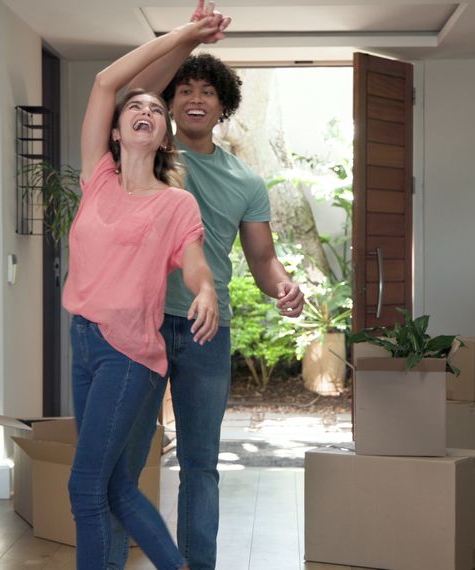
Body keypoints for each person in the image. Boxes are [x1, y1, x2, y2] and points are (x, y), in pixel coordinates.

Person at [108, 3, 306, 568]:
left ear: (223, 106)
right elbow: (123, 92)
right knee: (126, 461)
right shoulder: (145, 155)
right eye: (184, 88)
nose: (195, 98)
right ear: (169, 100)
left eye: (207, 92)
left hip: (203, 330)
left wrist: (285, 287)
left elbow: (262, 257)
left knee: (201, 462)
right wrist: (185, 37)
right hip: (135, 326)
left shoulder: (246, 180)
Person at [61, 13, 231, 570]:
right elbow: (106, 82)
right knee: (113, 489)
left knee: (86, 488)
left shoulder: (174, 203)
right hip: (83, 342)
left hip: (129, 354)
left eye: (156, 111)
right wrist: (183, 37)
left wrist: (205, 292)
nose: (145, 112)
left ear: (164, 136)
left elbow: (194, 265)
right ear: (115, 129)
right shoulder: (97, 179)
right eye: (136, 107)